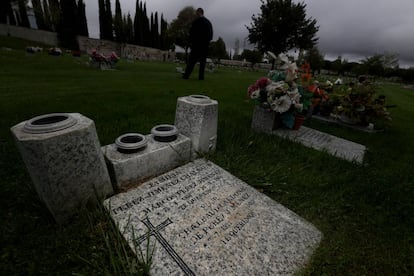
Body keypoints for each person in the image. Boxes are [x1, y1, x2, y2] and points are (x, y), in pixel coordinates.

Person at [182, 8, 213, 80]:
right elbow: (211, 35)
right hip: (205, 45)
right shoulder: (208, 22)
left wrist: (191, 41)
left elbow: (192, 32)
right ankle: (201, 77)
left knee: (192, 60)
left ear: (199, 12)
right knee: (202, 62)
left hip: (196, 44)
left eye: (196, 13)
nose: (196, 14)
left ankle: (186, 75)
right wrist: (207, 42)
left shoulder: (196, 21)